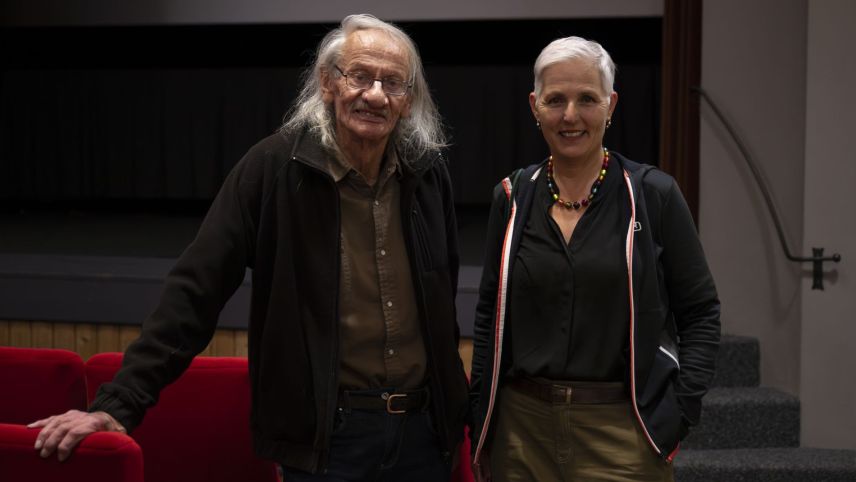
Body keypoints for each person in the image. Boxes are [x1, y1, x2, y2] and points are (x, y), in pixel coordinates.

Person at [29, 14, 469, 481]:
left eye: (393, 83)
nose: (375, 94)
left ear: (407, 101)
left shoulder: (426, 173)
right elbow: (196, 290)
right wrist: (118, 404)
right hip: (328, 441)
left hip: (424, 438)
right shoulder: (271, 168)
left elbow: (442, 301)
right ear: (327, 83)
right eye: (360, 76)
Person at [468, 36, 720, 482]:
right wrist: (482, 423)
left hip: (622, 435)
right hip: (521, 436)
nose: (570, 115)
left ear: (611, 104)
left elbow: (700, 313)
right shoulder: (509, 197)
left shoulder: (653, 195)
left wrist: (679, 412)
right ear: (534, 106)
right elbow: (489, 315)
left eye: (587, 99)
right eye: (556, 100)